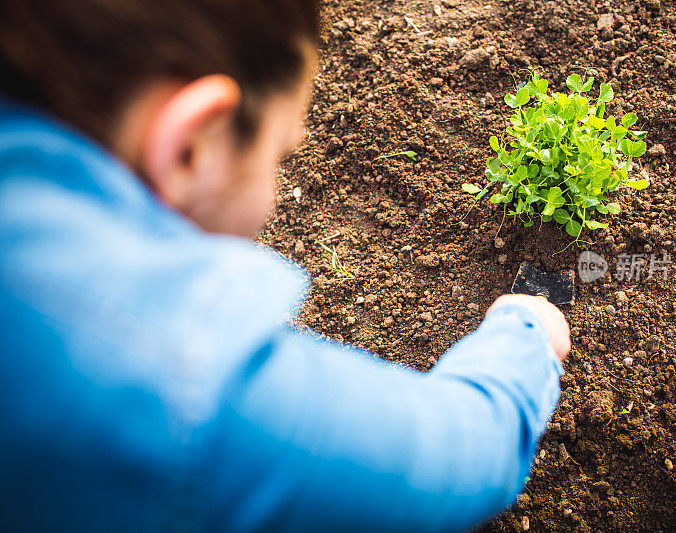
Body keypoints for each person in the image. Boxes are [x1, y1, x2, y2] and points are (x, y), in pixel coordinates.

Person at [0, 1, 570, 531]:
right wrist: (527, 334)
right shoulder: (172, 383)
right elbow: (462, 451)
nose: (277, 182)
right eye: (281, 154)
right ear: (191, 147)